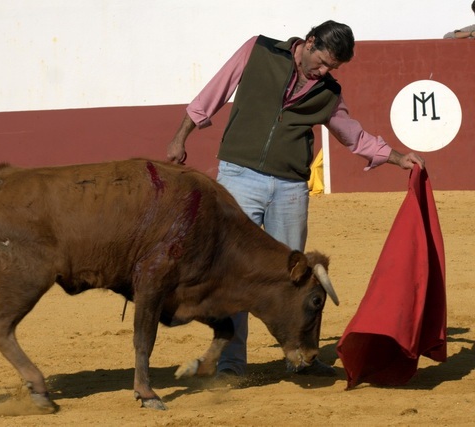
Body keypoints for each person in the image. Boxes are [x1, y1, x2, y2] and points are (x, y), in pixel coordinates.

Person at [166, 20, 425, 379]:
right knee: (235, 273)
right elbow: (214, 92)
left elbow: (354, 136)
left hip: (290, 189)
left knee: (298, 277)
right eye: (322, 62)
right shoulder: (259, 51)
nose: (323, 72)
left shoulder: (328, 91)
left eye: (331, 68)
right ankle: (230, 364)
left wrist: (398, 158)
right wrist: (181, 138)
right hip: (239, 177)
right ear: (309, 41)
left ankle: (301, 358)